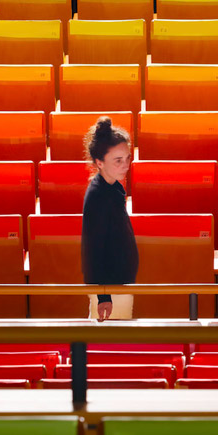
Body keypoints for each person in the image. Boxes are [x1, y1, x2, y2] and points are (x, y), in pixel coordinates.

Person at [81, 116, 139, 322]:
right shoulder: (99, 196)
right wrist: (103, 296)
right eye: (118, 160)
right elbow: (93, 251)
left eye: (127, 158)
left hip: (118, 284)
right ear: (99, 162)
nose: (126, 165)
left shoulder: (112, 187)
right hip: (110, 289)